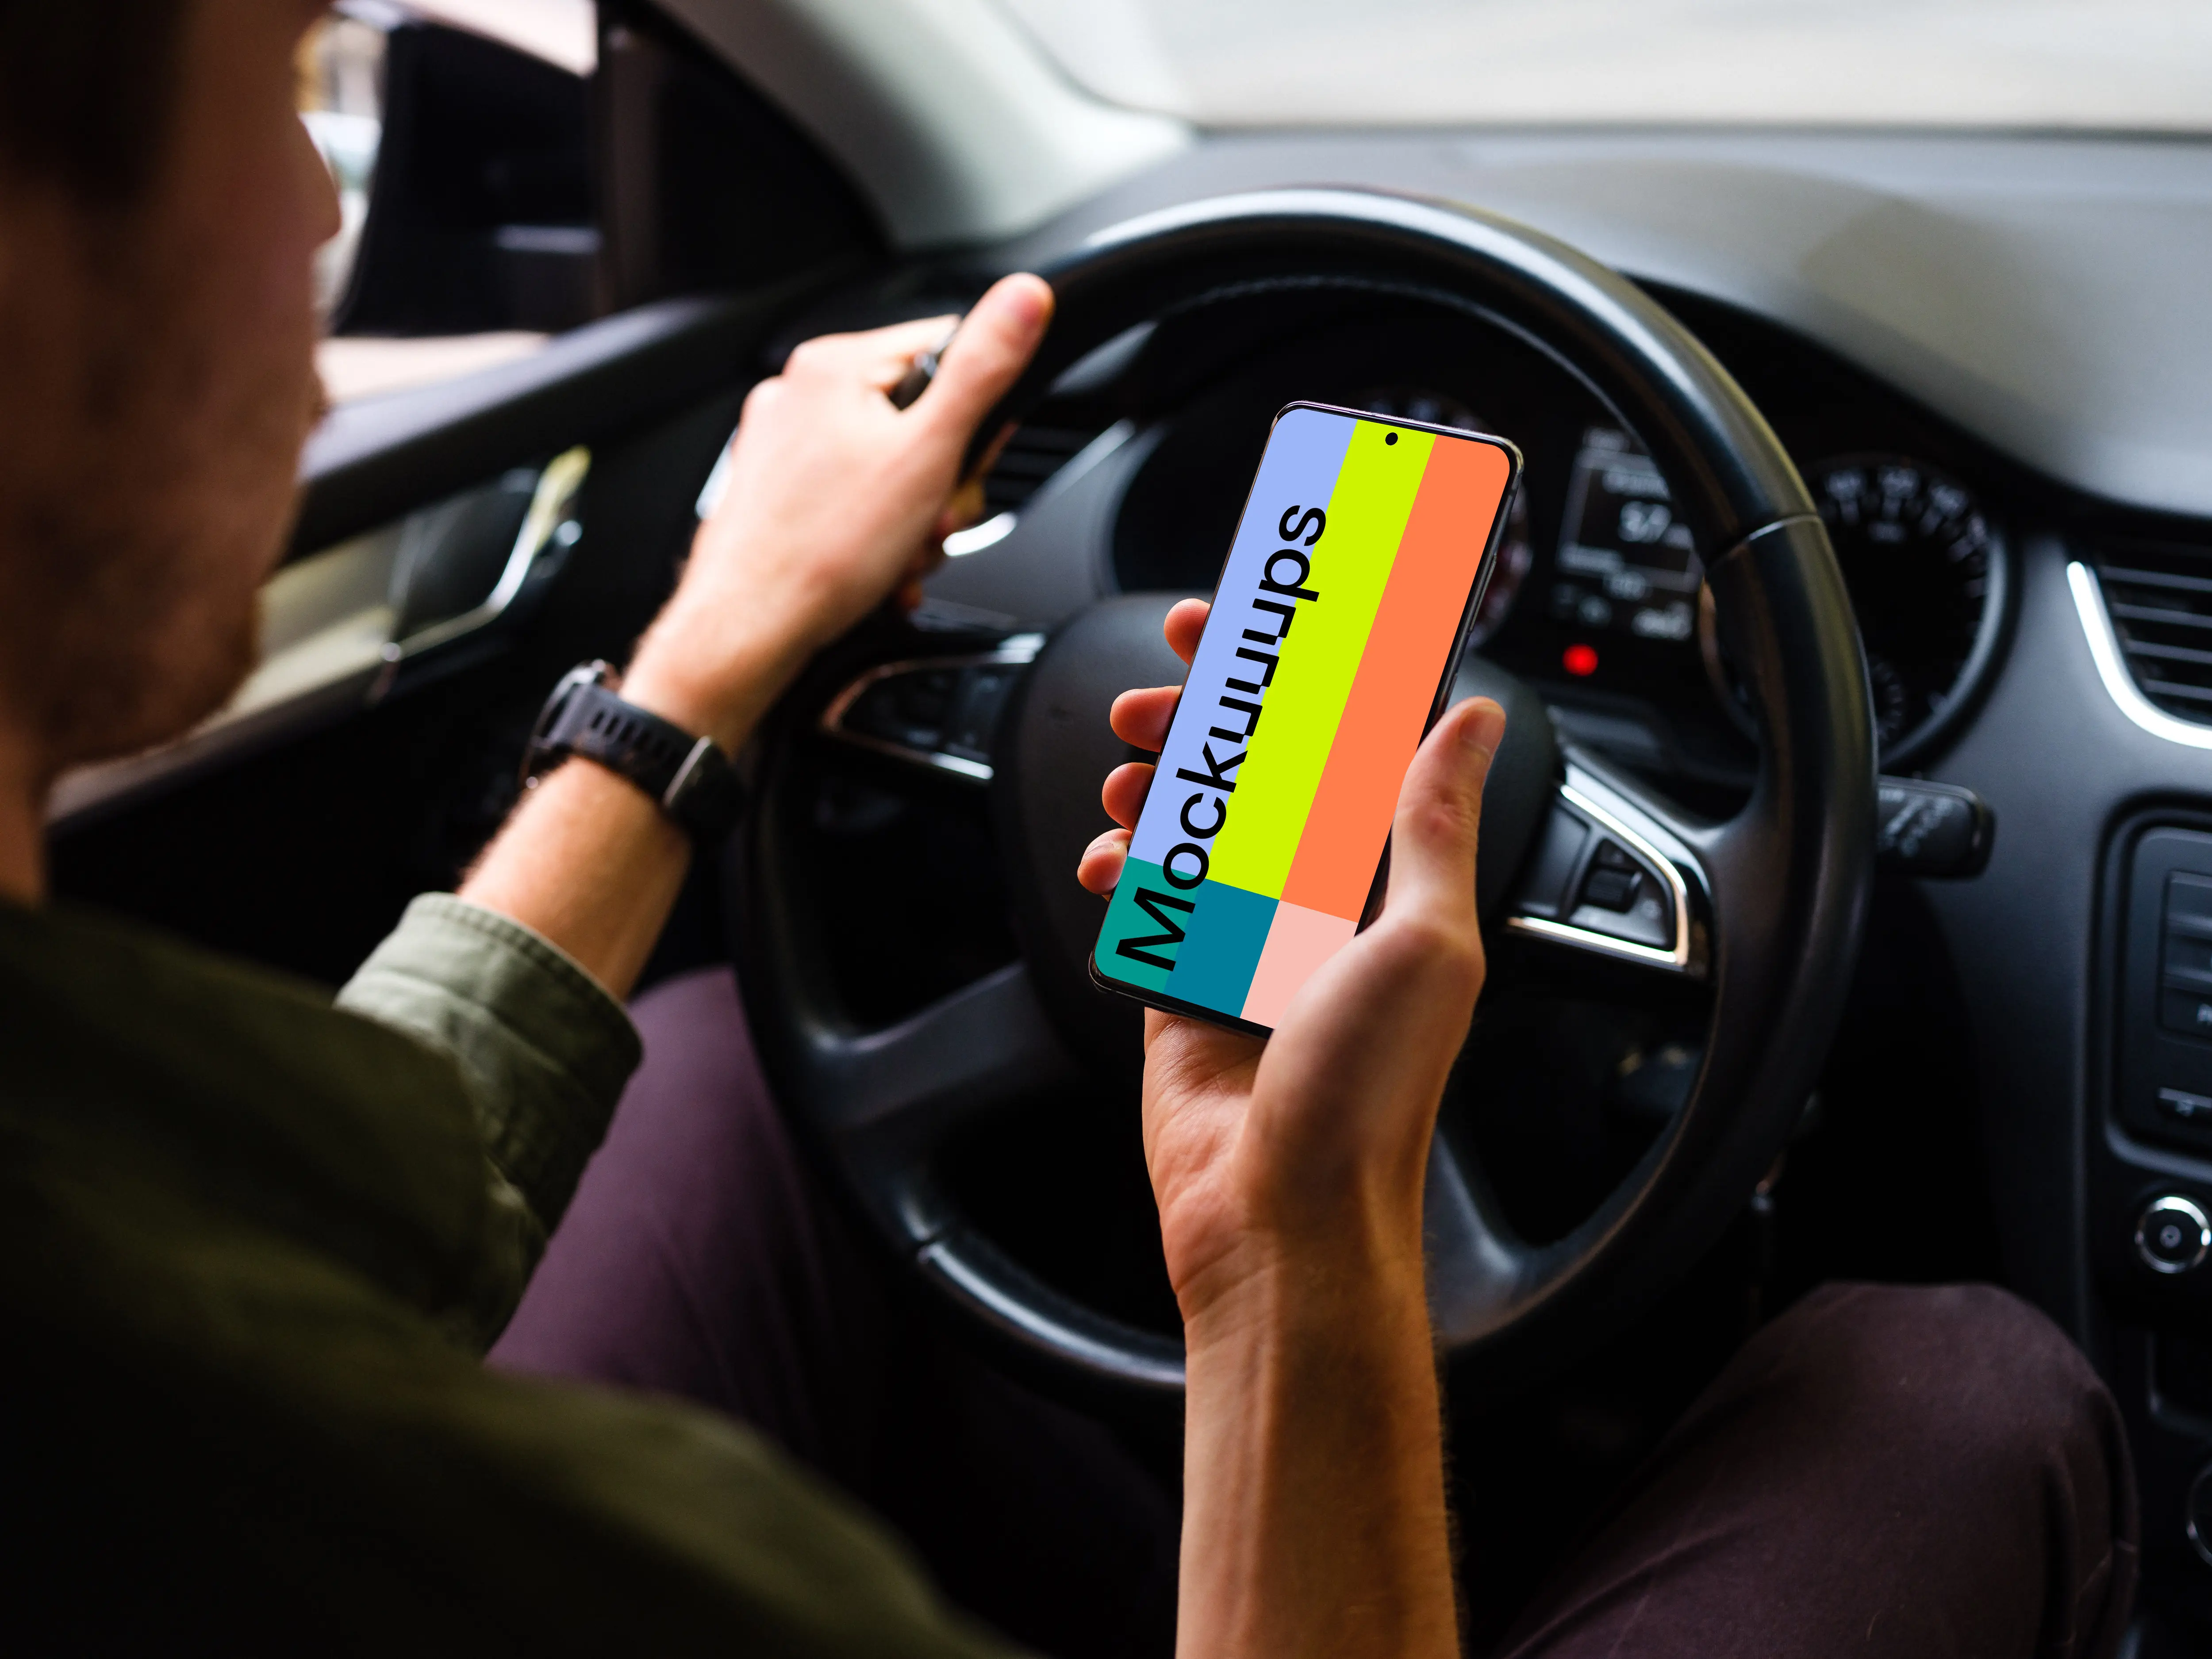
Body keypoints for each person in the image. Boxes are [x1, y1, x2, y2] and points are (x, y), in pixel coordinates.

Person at [0, 1, 2138, 1655]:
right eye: (273, 75)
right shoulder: (536, 1560)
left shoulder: (148, 1234)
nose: (321, 203)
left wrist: (709, 661)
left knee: (737, 1065)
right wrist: (1289, 1255)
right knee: (1949, 1396)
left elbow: (357, 1191)